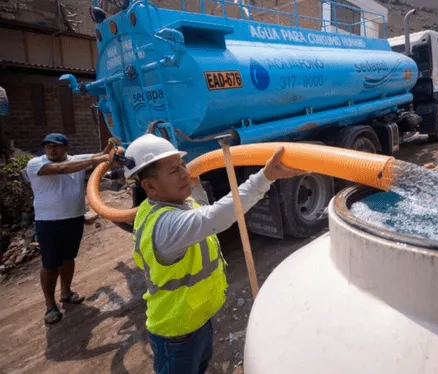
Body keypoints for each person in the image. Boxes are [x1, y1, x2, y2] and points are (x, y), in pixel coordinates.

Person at [122, 134, 307, 374]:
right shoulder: (165, 226)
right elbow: (213, 218)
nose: (183, 174)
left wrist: (195, 186)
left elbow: (200, 207)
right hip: (177, 332)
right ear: (150, 187)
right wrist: (265, 177)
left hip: (198, 319)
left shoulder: (175, 203)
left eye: (183, 165)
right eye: (173, 171)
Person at [26, 133, 119, 325]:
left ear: (66, 148)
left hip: (74, 219)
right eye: (48, 146)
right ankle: (50, 305)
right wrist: (97, 158)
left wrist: (108, 148)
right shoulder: (36, 163)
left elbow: (96, 159)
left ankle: (66, 292)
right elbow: (62, 168)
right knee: (50, 264)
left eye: (56, 146)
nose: (51, 149)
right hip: (48, 222)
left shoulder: (75, 159)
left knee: (68, 258)